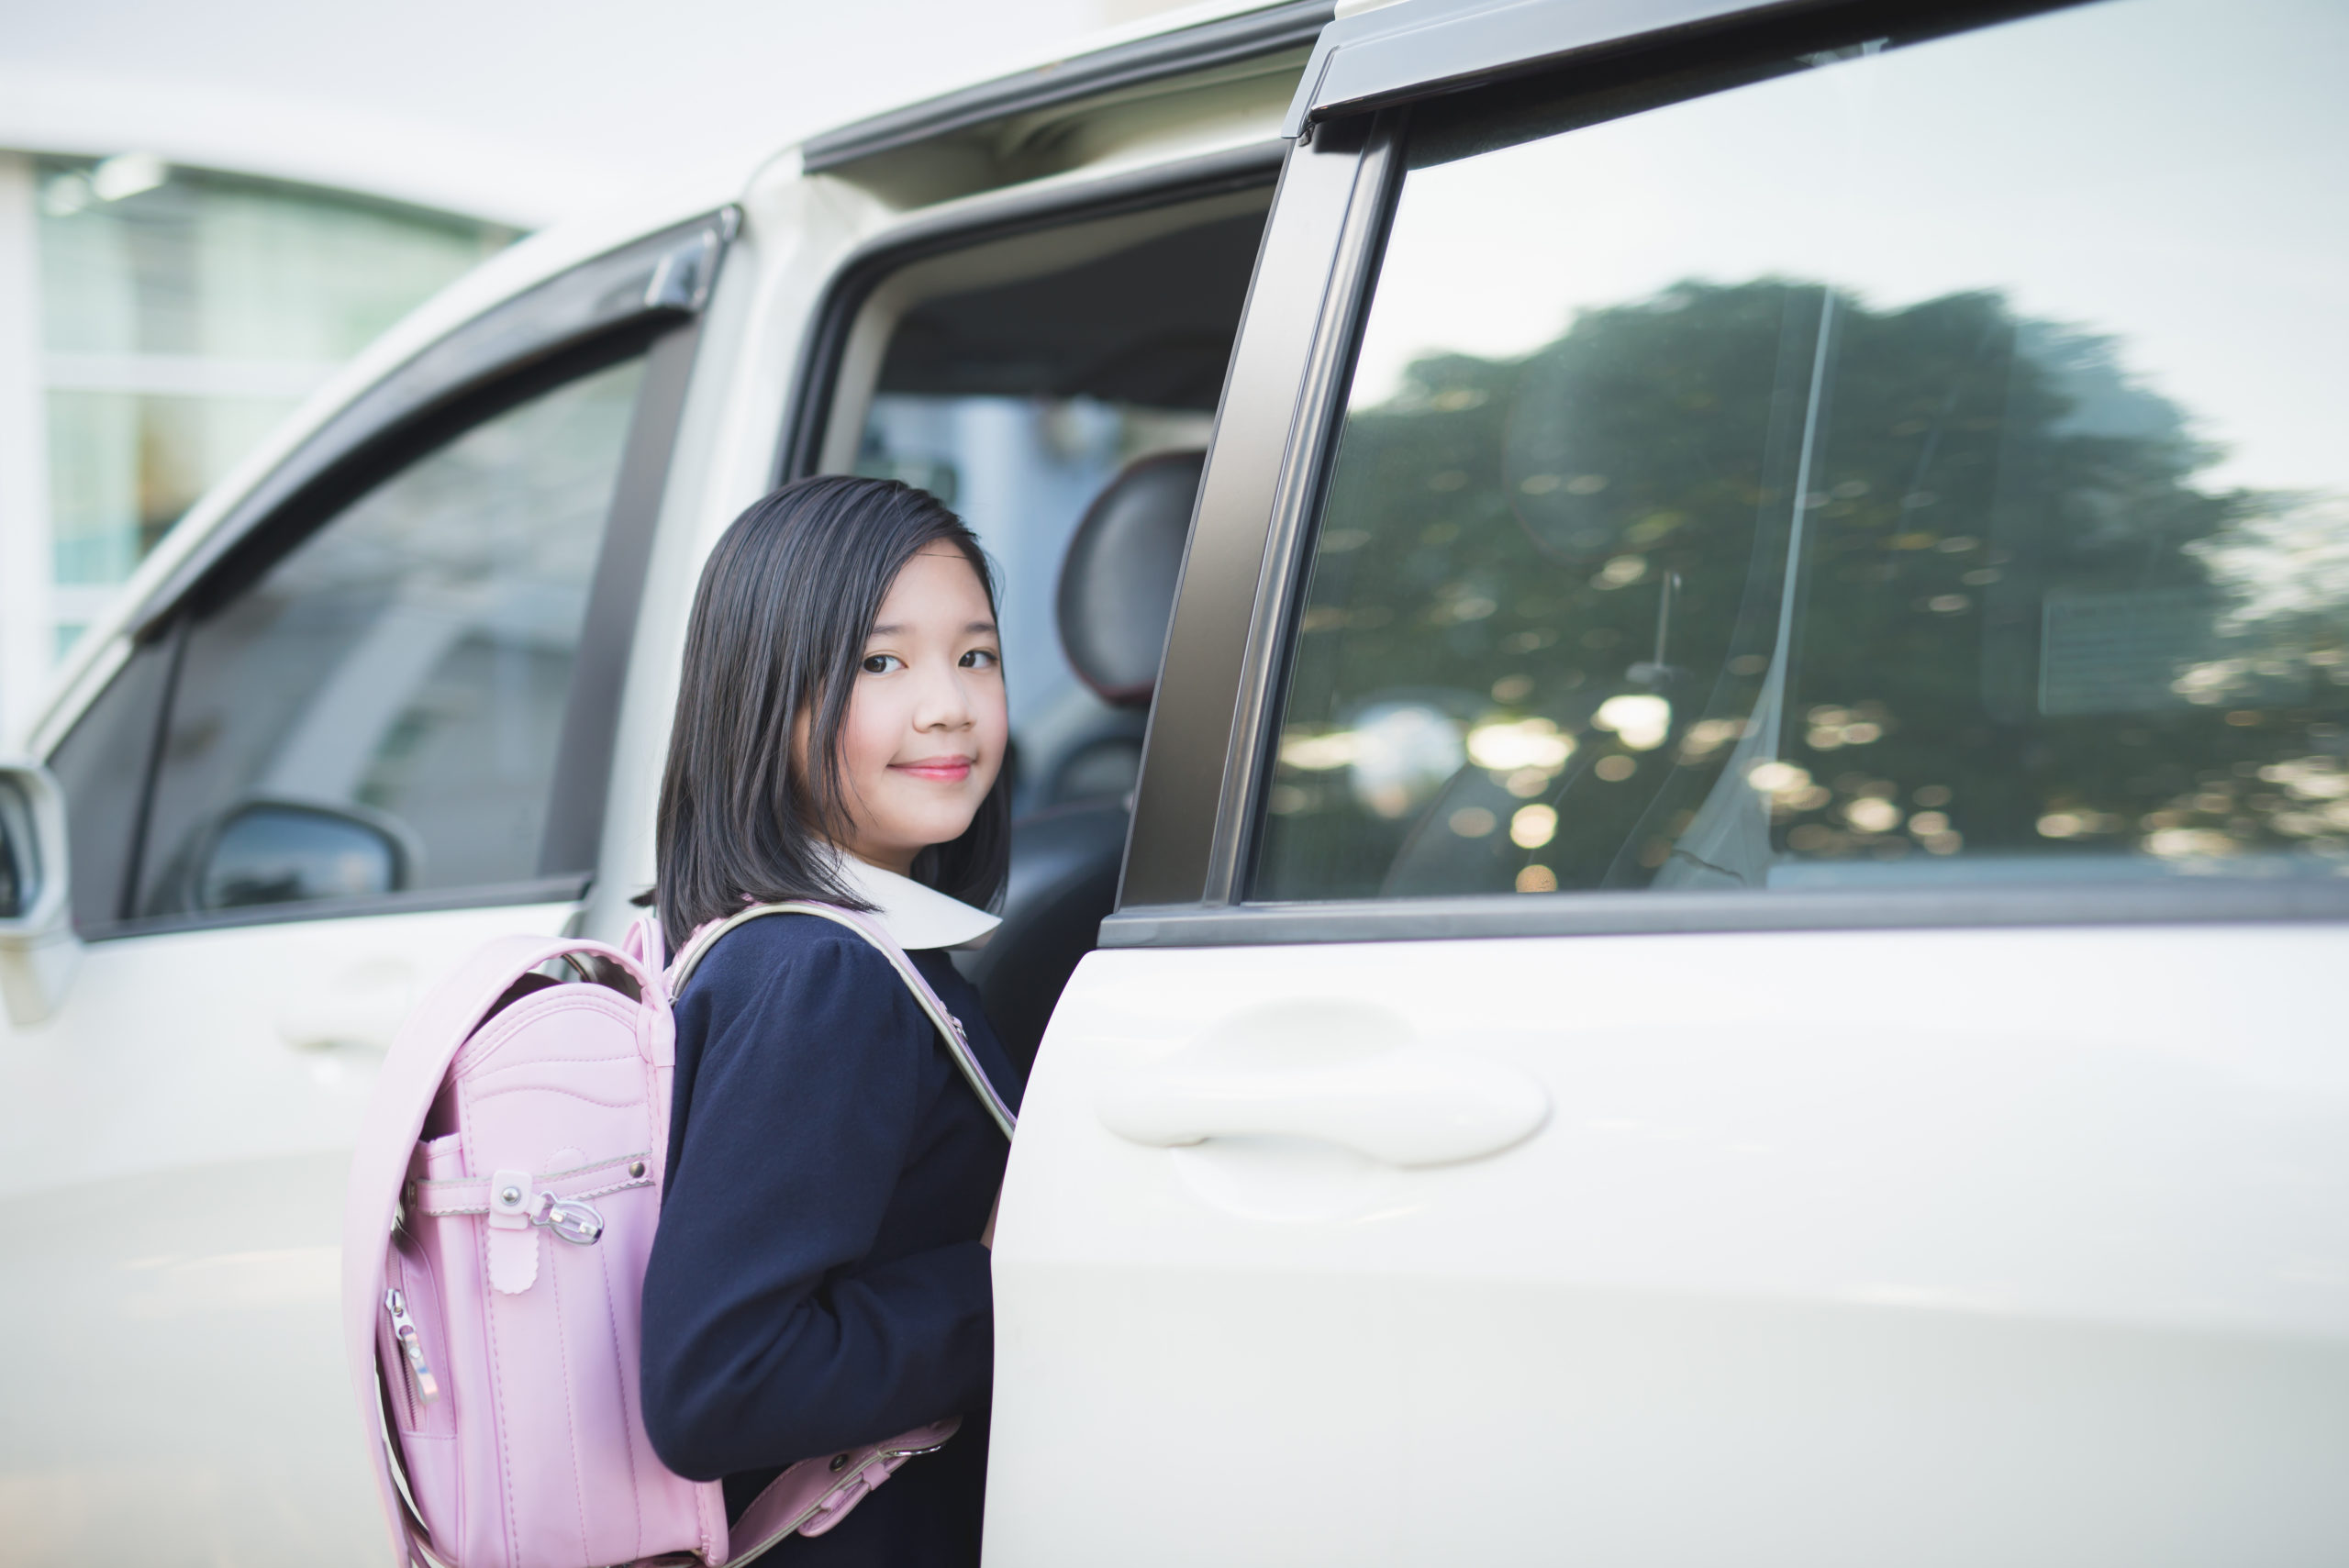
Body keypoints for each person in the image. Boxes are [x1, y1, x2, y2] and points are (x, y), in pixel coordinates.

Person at [639, 475, 1022, 1566]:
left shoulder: (828, 949)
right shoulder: (819, 974)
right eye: (880, 662)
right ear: (763, 695)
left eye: (976, 655)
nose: (947, 703)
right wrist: (1004, 1276)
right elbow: (722, 1382)